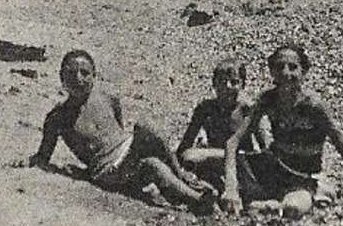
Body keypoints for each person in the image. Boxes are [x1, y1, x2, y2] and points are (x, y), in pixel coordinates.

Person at [15, 50, 214, 211]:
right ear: (61, 77)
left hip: (126, 160)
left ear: (95, 76)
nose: (78, 78)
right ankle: (183, 176)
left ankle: (195, 199)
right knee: (145, 128)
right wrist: (30, 161)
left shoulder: (107, 98)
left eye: (85, 73)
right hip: (106, 171)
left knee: (153, 164)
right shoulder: (57, 117)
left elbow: (118, 129)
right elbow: (44, 154)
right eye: (71, 73)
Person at [220, 44, 343, 222]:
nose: (286, 73)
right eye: (279, 67)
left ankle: (309, 194)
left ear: (304, 71)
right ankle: (260, 200)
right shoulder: (268, 100)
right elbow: (233, 142)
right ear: (271, 71)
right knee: (199, 161)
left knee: (293, 208)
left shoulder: (314, 106)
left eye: (293, 67)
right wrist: (231, 187)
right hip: (273, 167)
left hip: (303, 177)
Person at [177, 59, 265, 192]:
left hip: (240, 160)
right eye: (222, 82)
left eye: (234, 82)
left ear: (243, 85)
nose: (228, 86)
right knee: (190, 157)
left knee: (194, 156)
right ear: (214, 84)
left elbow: (264, 147)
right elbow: (186, 142)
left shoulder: (247, 109)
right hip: (215, 161)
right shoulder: (205, 108)